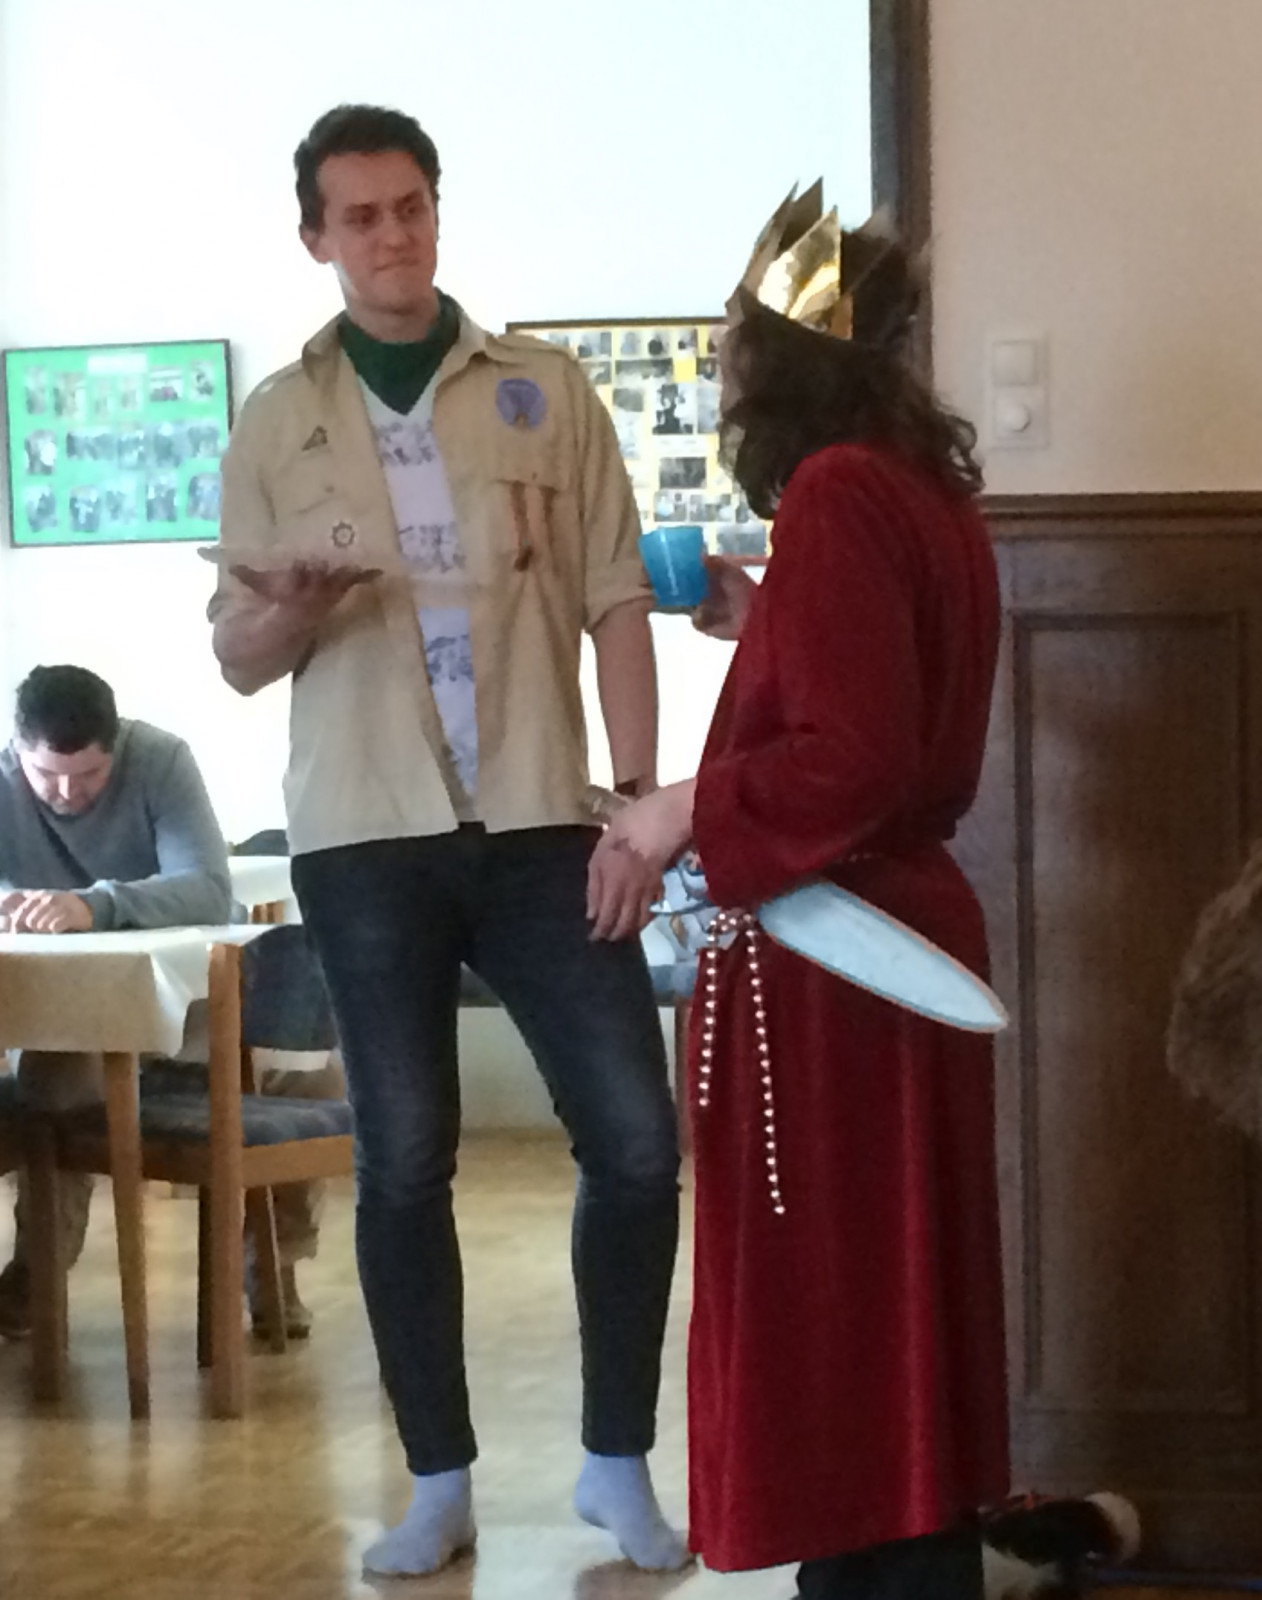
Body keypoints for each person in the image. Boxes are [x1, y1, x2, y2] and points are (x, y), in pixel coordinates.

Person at [603, 190, 1140, 1598]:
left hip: (834, 958)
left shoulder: (838, 492)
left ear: (778, 358)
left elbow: (851, 758)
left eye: (736, 338)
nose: (722, 367)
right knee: (889, 1316)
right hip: (890, 940)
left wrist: (673, 809)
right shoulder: (912, 489)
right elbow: (875, 694)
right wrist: (765, 615)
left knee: (839, 1320)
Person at [208, 105, 684, 1579]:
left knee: (636, 1139)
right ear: (316, 237)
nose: (391, 234)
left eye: (409, 205)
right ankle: (438, 1481)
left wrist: (638, 803)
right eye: (359, 215)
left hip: (545, 822)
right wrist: (291, 608)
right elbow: (236, 656)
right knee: (404, 1159)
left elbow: (617, 601)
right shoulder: (274, 419)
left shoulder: (543, 388)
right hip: (363, 837)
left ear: (435, 211)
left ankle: (614, 1461)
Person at [0, 664, 234, 1336]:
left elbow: (207, 889)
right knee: (51, 1079)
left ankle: (272, 1266)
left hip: (180, 995)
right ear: (17, 750)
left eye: (89, 776)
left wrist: (93, 906)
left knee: (302, 1069)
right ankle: (37, 1280)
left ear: (117, 744)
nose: (66, 793)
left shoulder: (160, 759)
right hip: (65, 1005)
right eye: (46, 776)